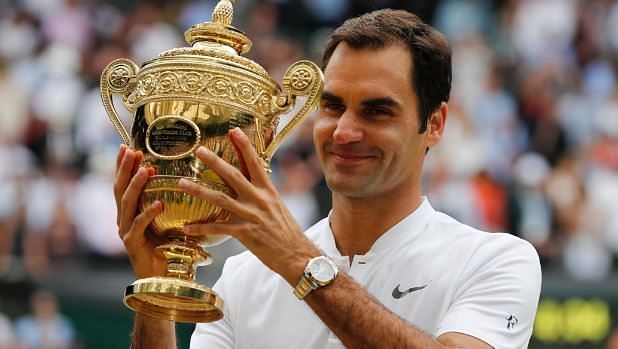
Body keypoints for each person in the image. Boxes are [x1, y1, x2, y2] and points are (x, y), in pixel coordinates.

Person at [114, 9, 541, 349]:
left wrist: (297, 261)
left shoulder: (494, 261)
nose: (344, 131)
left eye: (376, 111)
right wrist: (154, 290)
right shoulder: (244, 278)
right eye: (333, 106)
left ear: (434, 124)